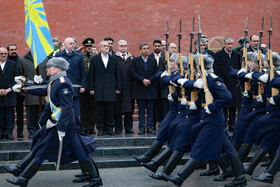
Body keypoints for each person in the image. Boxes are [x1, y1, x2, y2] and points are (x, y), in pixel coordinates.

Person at [6, 57, 102, 187]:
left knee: (42, 148)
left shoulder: (63, 82)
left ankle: (23, 177)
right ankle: (95, 178)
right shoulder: (55, 82)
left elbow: (67, 108)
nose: (46, 69)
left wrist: (62, 127)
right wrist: (24, 86)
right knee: (79, 150)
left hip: (62, 124)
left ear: (58, 68)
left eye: (49, 67)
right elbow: (44, 90)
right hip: (61, 123)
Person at [163, 54, 247, 187]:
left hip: (213, 119)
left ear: (199, 66)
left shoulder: (212, 79)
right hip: (209, 118)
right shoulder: (204, 78)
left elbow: (226, 96)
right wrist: (197, 104)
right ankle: (240, 178)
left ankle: (180, 177)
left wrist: (212, 107)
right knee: (229, 149)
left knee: (200, 148)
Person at [89, 41, 121, 136]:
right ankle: (101, 128)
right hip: (98, 89)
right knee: (99, 110)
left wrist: (118, 87)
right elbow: (91, 75)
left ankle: (110, 128)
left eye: (108, 45)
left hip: (111, 89)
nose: (107, 47)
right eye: (105, 46)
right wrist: (91, 88)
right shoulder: (94, 59)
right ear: (100, 48)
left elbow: (117, 74)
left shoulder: (114, 59)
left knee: (110, 110)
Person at [18, 51, 48, 138]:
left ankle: (40, 130)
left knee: (41, 111)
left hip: (42, 90)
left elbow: (48, 75)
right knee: (31, 111)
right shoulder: (23, 60)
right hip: (29, 90)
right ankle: (31, 130)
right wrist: (22, 90)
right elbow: (20, 75)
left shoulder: (45, 60)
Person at [214, 37, 242, 132]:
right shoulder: (218, 55)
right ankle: (223, 125)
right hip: (224, 83)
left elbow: (239, 68)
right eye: (228, 44)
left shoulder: (237, 55)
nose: (230, 46)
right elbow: (217, 70)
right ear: (224, 44)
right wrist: (222, 82)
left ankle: (232, 125)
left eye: (231, 44)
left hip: (235, 83)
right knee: (225, 105)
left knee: (234, 105)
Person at [55, 37, 86, 118]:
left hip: (75, 87)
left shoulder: (78, 56)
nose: (73, 45)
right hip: (62, 87)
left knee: (75, 112)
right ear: (64, 45)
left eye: (73, 43)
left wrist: (83, 85)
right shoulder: (58, 56)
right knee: (64, 112)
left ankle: (75, 129)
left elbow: (82, 71)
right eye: (70, 44)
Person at [131, 43, 158, 135]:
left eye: (147, 48)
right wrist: (142, 80)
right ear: (140, 50)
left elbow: (156, 72)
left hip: (150, 88)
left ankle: (149, 127)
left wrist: (149, 80)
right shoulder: (135, 61)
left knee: (150, 111)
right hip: (140, 88)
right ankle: (141, 128)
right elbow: (133, 73)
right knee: (141, 111)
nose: (146, 50)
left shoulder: (153, 60)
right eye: (144, 48)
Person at [114, 40, 134, 134]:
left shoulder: (131, 58)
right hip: (118, 88)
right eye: (121, 46)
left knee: (129, 109)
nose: (123, 47)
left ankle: (128, 127)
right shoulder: (114, 58)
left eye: (125, 45)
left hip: (129, 88)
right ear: (118, 47)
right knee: (117, 109)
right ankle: (118, 127)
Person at [149, 40, 169, 130]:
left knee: (162, 105)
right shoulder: (149, 57)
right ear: (153, 47)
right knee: (153, 106)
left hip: (163, 86)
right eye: (155, 46)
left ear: (162, 47)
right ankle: (153, 124)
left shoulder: (166, 57)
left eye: (159, 46)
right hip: (152, 85)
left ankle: (162, 123)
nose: (157, 47)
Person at [0, 47, 18, 140]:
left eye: (5, 54)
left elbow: (16, 78)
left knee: (10, 114)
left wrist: (8, 89)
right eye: (1, 54)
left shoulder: (13, 64)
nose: (3, 55)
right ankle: (1, 132)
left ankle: (9, 132)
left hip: (10, 93)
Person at [7, 43, 24, 138]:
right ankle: (8, 131)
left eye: (15, 49)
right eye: (12, 50)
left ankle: (20, 131)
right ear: (8, 51)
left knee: (20, 112)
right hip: (8, 90)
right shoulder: (5, 61)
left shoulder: (20, 60)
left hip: (18, 91)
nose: (14, 51)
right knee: (8, 112)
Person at [80, 37, 97, 135]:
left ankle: (91, 127)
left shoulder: (95, 56)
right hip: (83, 86)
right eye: (87, 46)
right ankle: (84, 127)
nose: (89, 47)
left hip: (92, 87)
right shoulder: (80, 56)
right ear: (84, 47)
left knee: (92, 109)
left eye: (91, 46)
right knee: (83, 108)